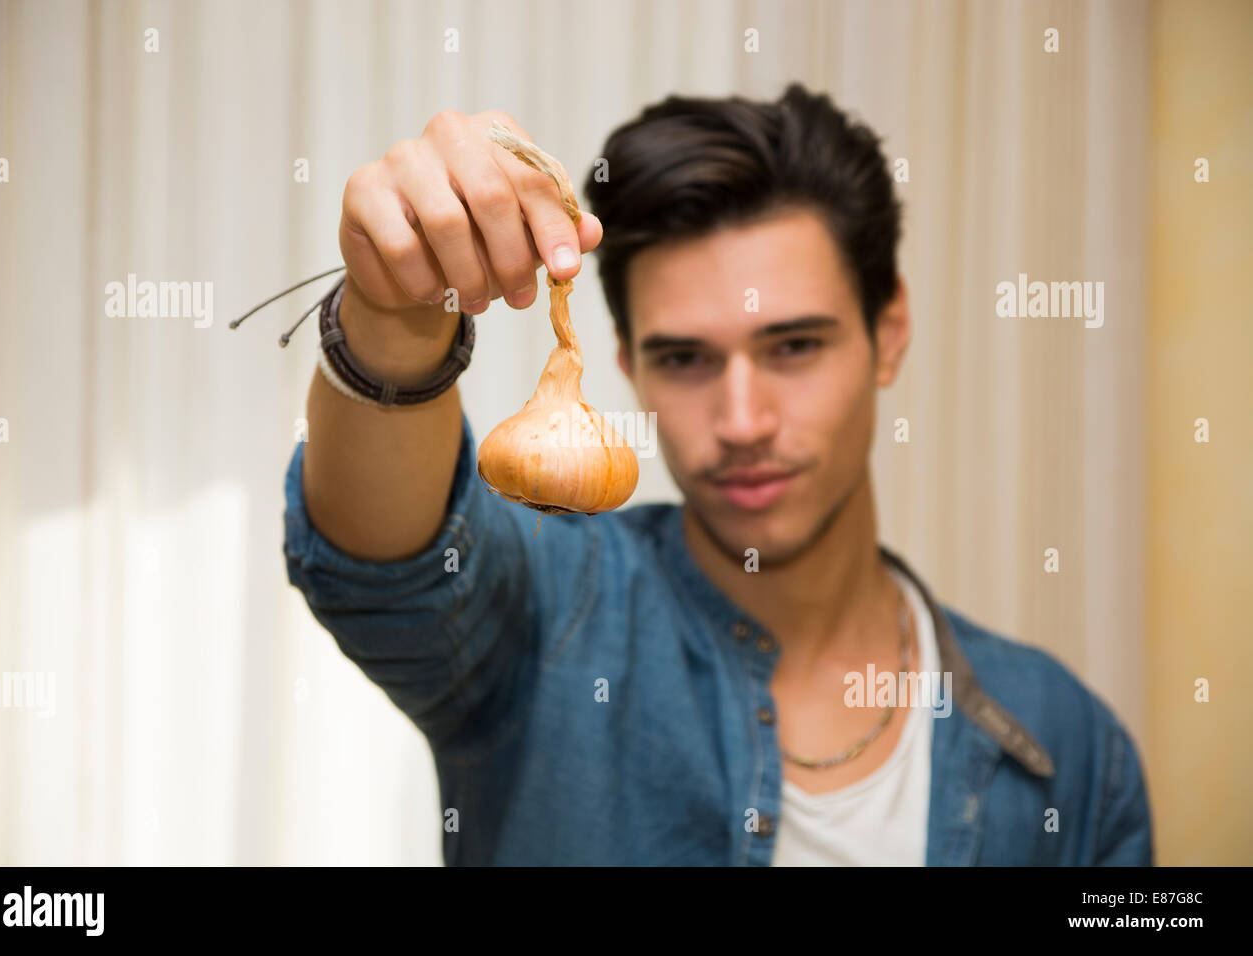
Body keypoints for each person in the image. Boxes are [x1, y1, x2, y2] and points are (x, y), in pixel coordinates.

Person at [283, 84, 1153, 866]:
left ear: (889, 331)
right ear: (626, 362)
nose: (742, 423)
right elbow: (388, 573)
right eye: (686, 358)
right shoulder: (545, 612)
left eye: (795, 346)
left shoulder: (1070, 748)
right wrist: (391, 323)